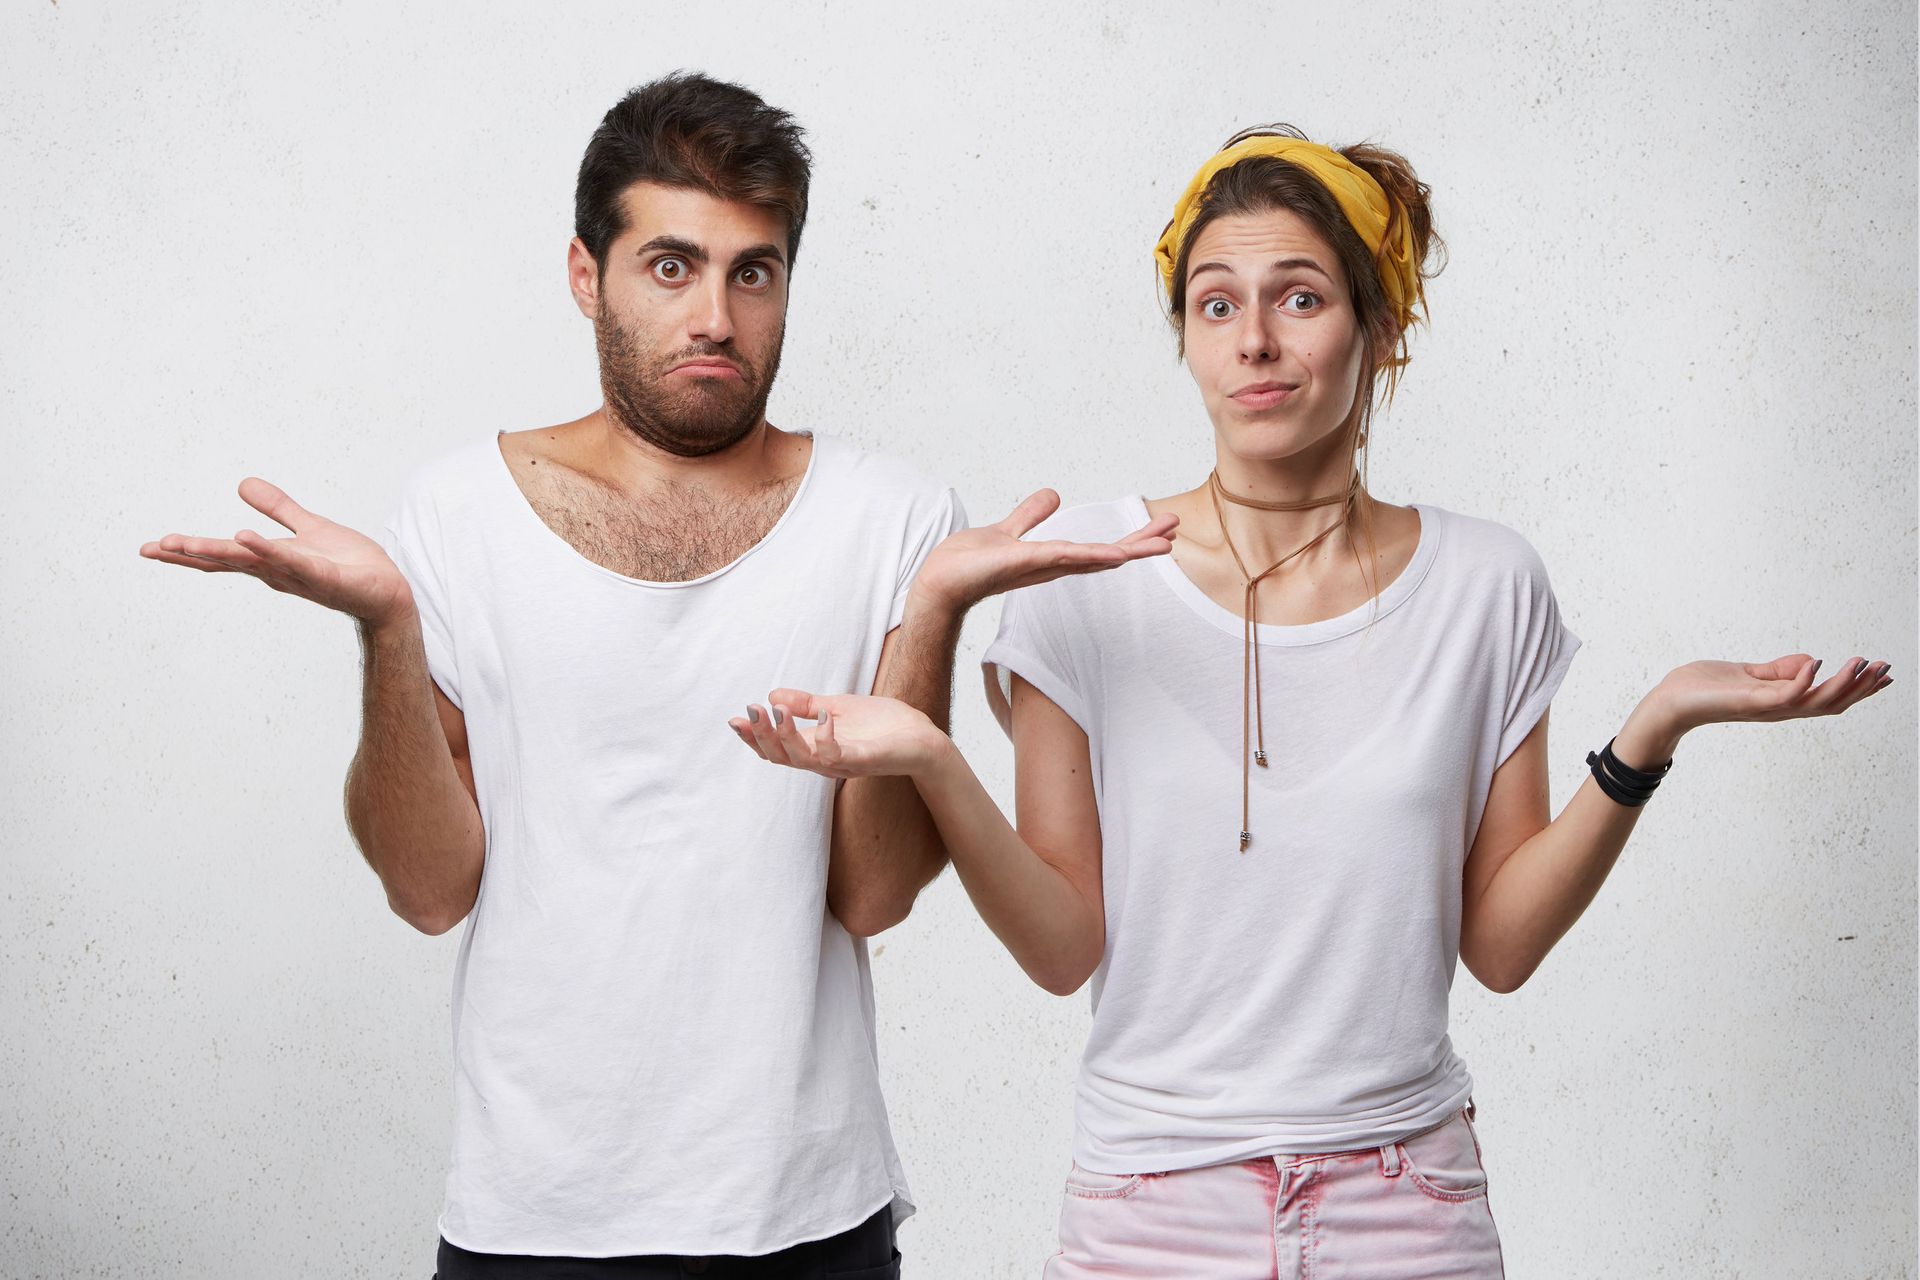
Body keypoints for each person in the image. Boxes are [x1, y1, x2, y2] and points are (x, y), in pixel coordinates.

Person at [728, 124, 1892, 1277]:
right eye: (1216, 304)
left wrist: (1654, 727)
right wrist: (932, 757)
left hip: (1409, 1205)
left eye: (1300, 297)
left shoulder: (1487, 585)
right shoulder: (1086, 571)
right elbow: (1062, 945)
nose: (1255, 341)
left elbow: (1499, 946)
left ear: (1378, 329)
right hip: (1152, 1210)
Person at [138, 72, 1170, 1278]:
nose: (716, 317)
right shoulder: (458, 513)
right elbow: (428, 891)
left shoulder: (893, 519)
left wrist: (934, 607)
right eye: (671, 266)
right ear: (588, 274)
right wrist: (388, 628)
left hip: (802, 1213)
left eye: (754, 272)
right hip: (533, 1214)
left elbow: (874, 895)